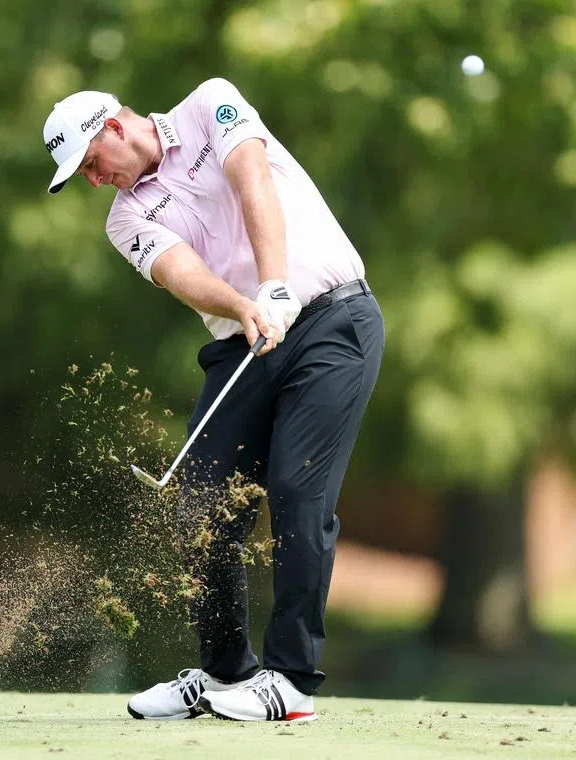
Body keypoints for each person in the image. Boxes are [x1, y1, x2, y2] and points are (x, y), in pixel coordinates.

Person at [41, 78, 383, 723]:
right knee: (199, 504)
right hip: (245, 338)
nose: (93, 180)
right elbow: (182, 274)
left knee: (296, 491)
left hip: (332, 321)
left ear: (114, 126)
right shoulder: (125, 219)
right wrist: (248, 303)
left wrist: (277, 283)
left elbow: (251, 175)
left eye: (91, 163)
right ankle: (225, 671)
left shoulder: (209, 105)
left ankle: (290, 680)